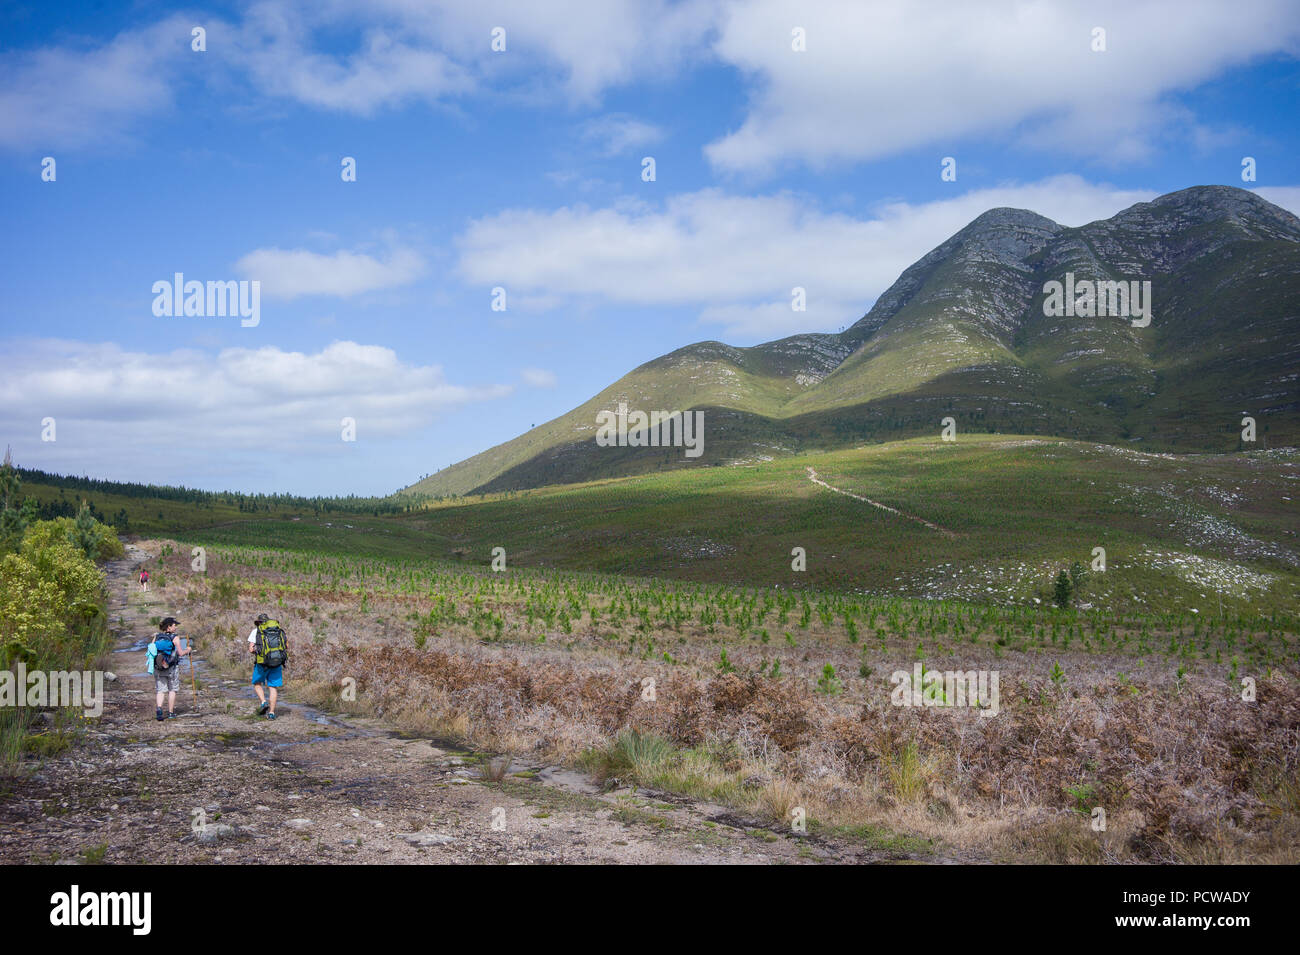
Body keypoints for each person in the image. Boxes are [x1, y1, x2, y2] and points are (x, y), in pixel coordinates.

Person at [147, 617, 192, 720]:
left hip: (158, 667)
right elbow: (180, 653)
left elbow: (152, 651)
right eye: (174, 625)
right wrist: (188, 650)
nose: (176, 627)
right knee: (172, 689)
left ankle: (159, 709)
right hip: (171, 667)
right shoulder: (175, 638)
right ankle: (171, 713)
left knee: (160, 690)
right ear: (169, 627)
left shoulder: (156, 637)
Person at [248, 612, 288, 720]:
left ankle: (263, 702)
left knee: (257, 683)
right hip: (276, 663)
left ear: (259, 622)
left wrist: (259, 651)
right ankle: (271, 713)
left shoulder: (256, 631)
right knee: (272, 687)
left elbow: (251, 649)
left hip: (262, 663)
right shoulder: (278, 631)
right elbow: (286, 645)